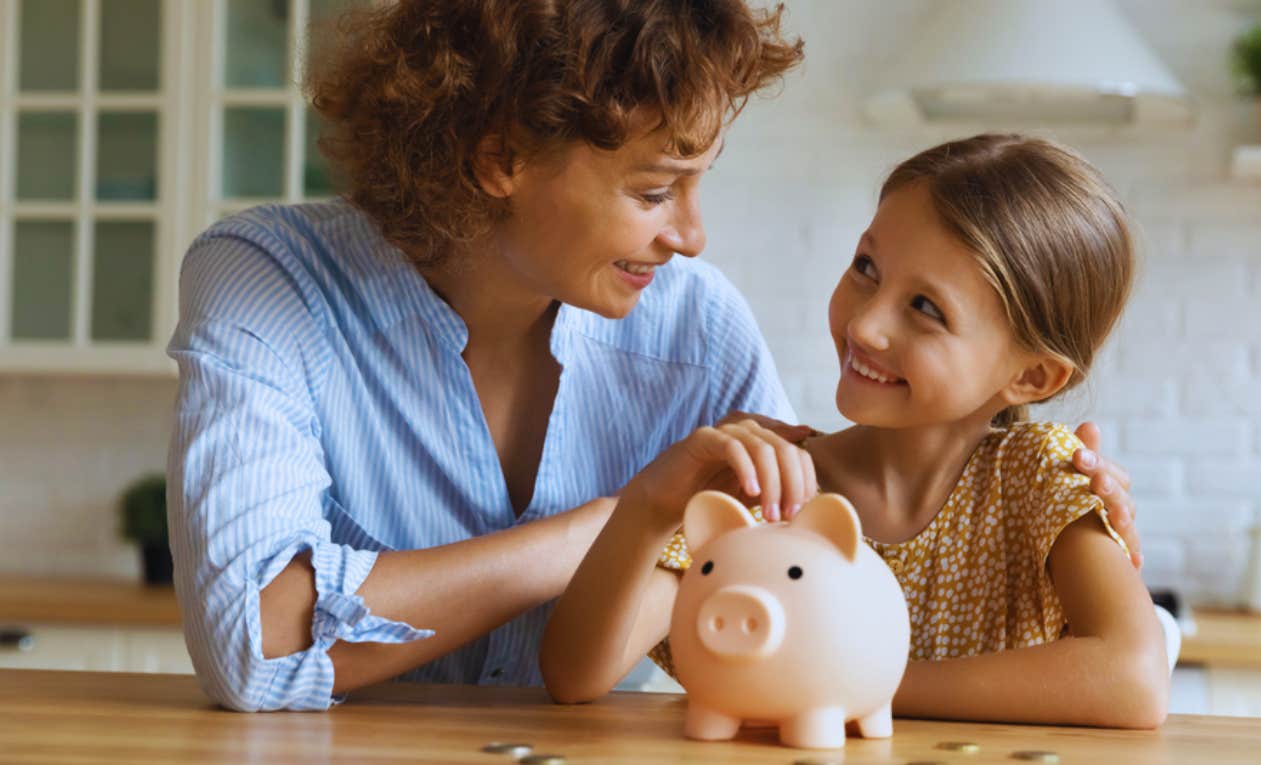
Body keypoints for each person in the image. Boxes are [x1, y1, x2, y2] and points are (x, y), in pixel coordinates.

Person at [166, 1, 1138, 713]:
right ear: (503, 156)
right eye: (654, 189)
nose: (692, 235)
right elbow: (255, 645)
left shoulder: (697, 328)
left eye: (700, 182)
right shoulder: (267, 283)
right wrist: (596, 529)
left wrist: (1026, 499)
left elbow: (761, 603)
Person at [542, 134, 1169, 729]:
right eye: (867, 267)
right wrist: (650, 503)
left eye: (926, 309)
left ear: (1032, 376)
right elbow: (576, 677)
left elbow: (1135, 679)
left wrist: (852, 684)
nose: (866, 324)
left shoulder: (1037, 478)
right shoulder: (772, 487)